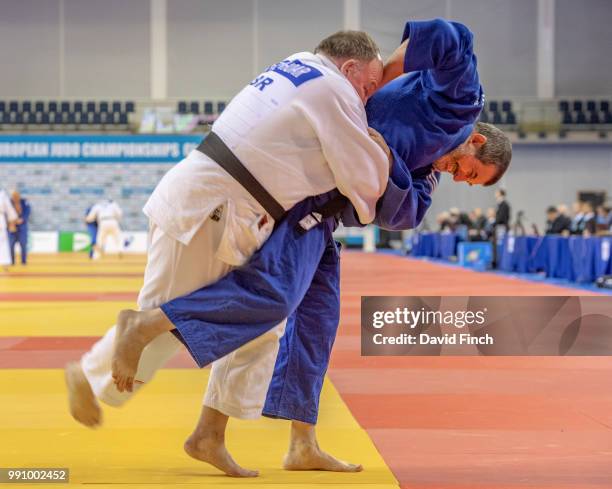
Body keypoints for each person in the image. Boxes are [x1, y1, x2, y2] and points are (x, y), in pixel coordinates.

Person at [71, 18, 512, 477]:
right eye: (469, 172)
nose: (458, 178)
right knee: (271, 298)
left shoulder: (428, 166)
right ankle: (143, 335)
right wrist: (389, 75)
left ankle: (289, 442)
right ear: (477, 141)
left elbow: (402, 215)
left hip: (323, 216)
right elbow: (451, 37)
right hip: (297, 203)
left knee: (315, 325)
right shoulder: (454, 101)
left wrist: (383, 159)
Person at [8, 190, 31, 265]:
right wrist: (11, 221)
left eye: (16, 195)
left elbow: (27, 211)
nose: (15, 197)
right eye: (13, 195)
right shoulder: (9, 203)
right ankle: (11, 261)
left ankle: (23, 261)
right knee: (11, 245)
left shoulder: (24, 202)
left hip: (22, 227)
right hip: (12, 227)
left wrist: (22, 219)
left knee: (23, 244)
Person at [0, 189, 18, 271]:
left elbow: (8, 207)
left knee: (3, 241)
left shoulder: (2, 194)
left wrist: (12, 221)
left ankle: (4, 263)